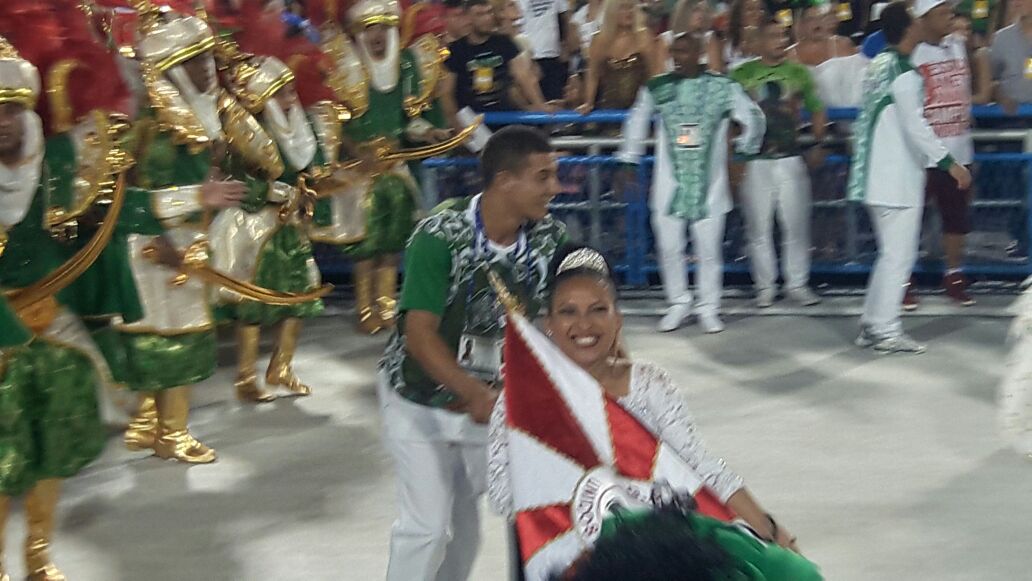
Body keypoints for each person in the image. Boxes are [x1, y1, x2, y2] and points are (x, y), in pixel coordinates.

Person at [487, 245, 814, 580]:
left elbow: (700, 466)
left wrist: (769, 529)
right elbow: (502, 495)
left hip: (655, 562)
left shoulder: (649, 384)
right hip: (569, 562)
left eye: (598, 309)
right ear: (549, 324)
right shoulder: (520, 402)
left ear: (617, 319)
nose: (584, 324)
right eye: (568, 312)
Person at [377, 126, 566, 581]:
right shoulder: (440, 235)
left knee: (465, 528)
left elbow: (562, 321)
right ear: (505, 181)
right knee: (425, 528)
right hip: (418, 400)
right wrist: (475, 391)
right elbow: (418, 335)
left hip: (494, 405)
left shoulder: (550, 239)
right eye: (543, 177)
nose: (554, 188)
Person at [316, 0, 454, 334]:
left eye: (383, 28)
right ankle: (364, 307)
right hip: (358, 174)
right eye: (370, 28)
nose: (377, 35)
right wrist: (355, 150)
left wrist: (428, 132)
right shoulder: (345, 68)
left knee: (393, 242)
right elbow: (331, 119)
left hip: (395, 170)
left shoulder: (404, 66)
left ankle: (387, 305)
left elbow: (409, 122)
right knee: (366, 244)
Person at [618, 31, 765, 334]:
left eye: (686, 51)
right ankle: (678, 302)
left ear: (699, 52)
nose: (679, 57)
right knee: (669, 246)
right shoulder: (657, 88)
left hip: (710, 185)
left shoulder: (722, 87)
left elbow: (754, 117)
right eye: (676, 52)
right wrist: (629, 160)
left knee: (709, 249)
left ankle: (709, 307)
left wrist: (743, 153)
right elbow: (636, 119)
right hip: (668, 185)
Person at [847, 2, 972, 354]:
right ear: (907, 27)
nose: (921, 24)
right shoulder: (903, 73)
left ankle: (873, 324)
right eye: (915, 20)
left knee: (890, 255)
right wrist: (950, 163)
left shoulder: (879, 66)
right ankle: (886, 329)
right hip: (895, 179)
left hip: (877, 176)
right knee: (898, 257)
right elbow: (916, 127)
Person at [210, 52, 329, 402]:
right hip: (254, 231)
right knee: (253, 303)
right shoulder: (241, 135)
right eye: (282, 93)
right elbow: (239, 186)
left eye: (292, 92)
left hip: (290, 229)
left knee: (298, 298)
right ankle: (246, 375)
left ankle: (282, 367)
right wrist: (281, 191)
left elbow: (312, 169)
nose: (291, 99)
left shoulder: (300, 131)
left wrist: (312, 188)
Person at [732, 20, 825, 308]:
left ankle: (797, 284)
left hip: (790, 158)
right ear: (757, 41)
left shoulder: (798, 73)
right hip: (755, 161)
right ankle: (765, 286)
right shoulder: (741, 75)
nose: (780, 41)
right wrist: (734, 158)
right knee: (758, 227)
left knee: (795, 225)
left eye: (783, 35)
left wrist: (819, 142)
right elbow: (728, 118)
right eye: (773, 35)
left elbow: (817, 108)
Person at [912, 0, 977, 307]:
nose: (950, 18)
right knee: (912, 220)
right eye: (942, 13)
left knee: (956, 219)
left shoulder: (959, 45)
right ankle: (903, 280)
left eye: (951, 12)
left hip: (959, 149)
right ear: (924, 18)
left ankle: (954, 275)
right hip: (922, 154)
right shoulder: (911, 53)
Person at [442, 0, 550, 116]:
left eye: (489, 13)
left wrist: (539, 104)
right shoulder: (457, 50)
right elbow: (446, 93)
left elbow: (523, 75)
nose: (487, 18)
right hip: (473, 118)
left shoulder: (503, 42)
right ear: (468, 18)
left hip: (506, 113)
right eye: (480, 14)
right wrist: (458, 126)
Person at [577, 0, 657, 114]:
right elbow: (592, 74)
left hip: (641, 107)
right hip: (609, 106)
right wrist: (589, 102)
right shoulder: (600, 40)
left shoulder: (644, 37)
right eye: (623, 8)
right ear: (612, 12)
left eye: (631, 8)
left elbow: (654, 73)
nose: (629, 12)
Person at [788, 1, 868, 108]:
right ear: (801, 25)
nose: (817, 23)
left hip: (844, 116)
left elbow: (859, 85)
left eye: (821, 18)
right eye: (810, 19)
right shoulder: (789, 55)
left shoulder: (842, 45)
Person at [516, 0, 575, 102]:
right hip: (527, 58)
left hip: (553, 56)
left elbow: (565, 18)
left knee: (555, 104)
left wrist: (566, 49)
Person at [990, 0, 1032, 113]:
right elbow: (992, 80)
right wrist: (1001, 97)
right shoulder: (1001, 38)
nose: (1016, 2)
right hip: (1012, 119)